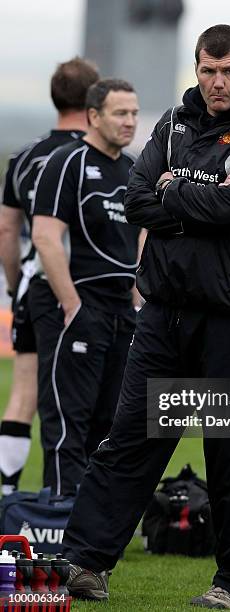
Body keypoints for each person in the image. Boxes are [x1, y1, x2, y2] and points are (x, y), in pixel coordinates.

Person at [62, 24, 230, 608]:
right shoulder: (171, 124)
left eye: (229, 71)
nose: (217, 82)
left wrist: (177, 193)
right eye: (208, 70)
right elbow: (139, 200)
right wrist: (198, 201)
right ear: (197, 69)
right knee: (128, 440)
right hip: (164, 315)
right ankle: (85, 564)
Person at [30, 78, 140, 497]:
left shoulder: (131, 169)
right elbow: (44, 236)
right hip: (74, 304)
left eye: (133, 113)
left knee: (110, 422)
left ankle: (92, 529)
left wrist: (135, 295)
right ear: (94, 115)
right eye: (120, 113)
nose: (129, 121)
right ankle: (59, 522)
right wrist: (72, 305)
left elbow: (143, 234)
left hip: (120, 311)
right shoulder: (67, 162)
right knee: (67, 419)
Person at [0, 57, 99, 496]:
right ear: (97, 100)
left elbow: (6, 229)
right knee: (89, 403)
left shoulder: (24, 157)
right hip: (92, 291)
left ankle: (8, 497)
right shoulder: (104, 154)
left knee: (23, 394)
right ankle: (83, 505)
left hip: (34, 287)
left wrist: (12, 282)